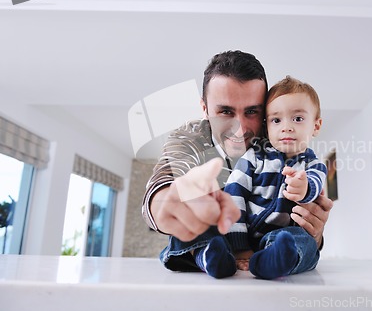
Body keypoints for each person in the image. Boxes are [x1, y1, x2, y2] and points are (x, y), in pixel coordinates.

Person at [141, 51, 333, 277]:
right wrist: (164, 203)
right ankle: (210, 255)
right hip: (214, 236)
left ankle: (274, 258)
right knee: (194, 231)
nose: (240, 128)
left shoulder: (277, 135)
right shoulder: (189, 139)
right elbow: (162, 184)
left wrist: (313, 230)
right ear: (205, 109)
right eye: (225, 112)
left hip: (266, 242)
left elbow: (308, 184)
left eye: (252, 111)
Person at [221, 76, 327, 280]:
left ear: (316, 126)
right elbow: (234, 194)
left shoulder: (312, 165)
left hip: (282, 236)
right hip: (246, 236)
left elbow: (315, 182)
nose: (286, 127)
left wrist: (304, 188)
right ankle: (216, 255)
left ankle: (275, 261)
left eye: (297, 118)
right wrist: (239, 246)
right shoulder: (253, 157)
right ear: (266, 126)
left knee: (304, 243)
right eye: (276, 120)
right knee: (216, 232)